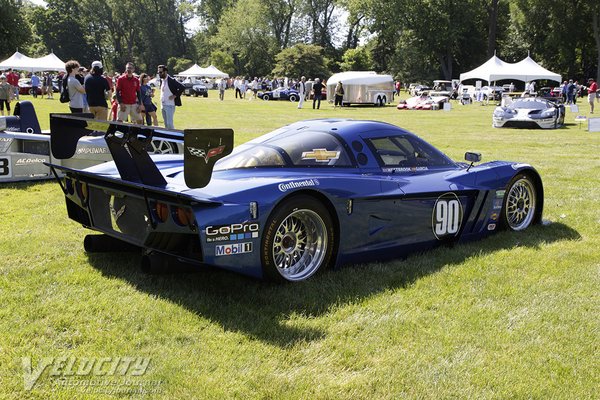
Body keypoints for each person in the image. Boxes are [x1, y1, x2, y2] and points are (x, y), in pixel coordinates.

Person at [157, 64, 184, 129]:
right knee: (166, 123)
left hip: (170, 105)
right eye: (158, 72)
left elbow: (182, 87)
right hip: (163, 105)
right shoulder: (162, 80)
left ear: (165, 72)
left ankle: (174, 136)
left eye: (160, 72)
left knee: (169, 124)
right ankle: (167, 138)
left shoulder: (171, 80)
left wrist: (175, 95)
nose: (159, 74)